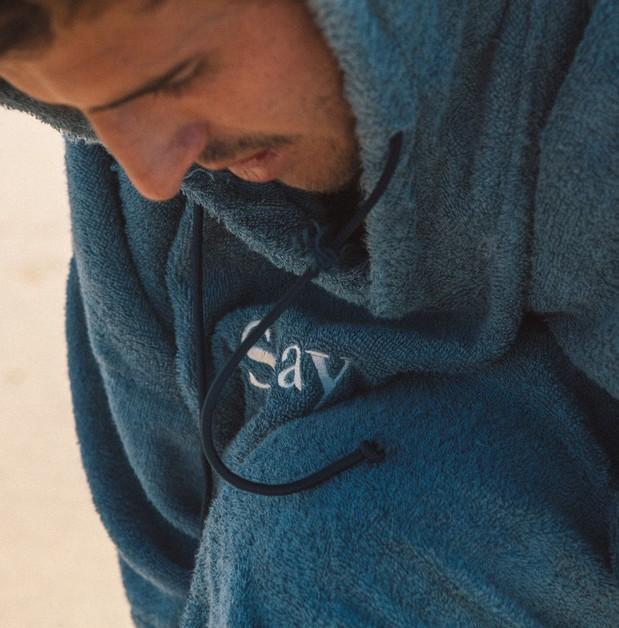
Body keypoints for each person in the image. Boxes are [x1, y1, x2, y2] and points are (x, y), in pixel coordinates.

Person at [1, 0, 618, 625]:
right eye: (83, 111)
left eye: (176, 77)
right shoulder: (142, 182)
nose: (152, 172)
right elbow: (169, 563)